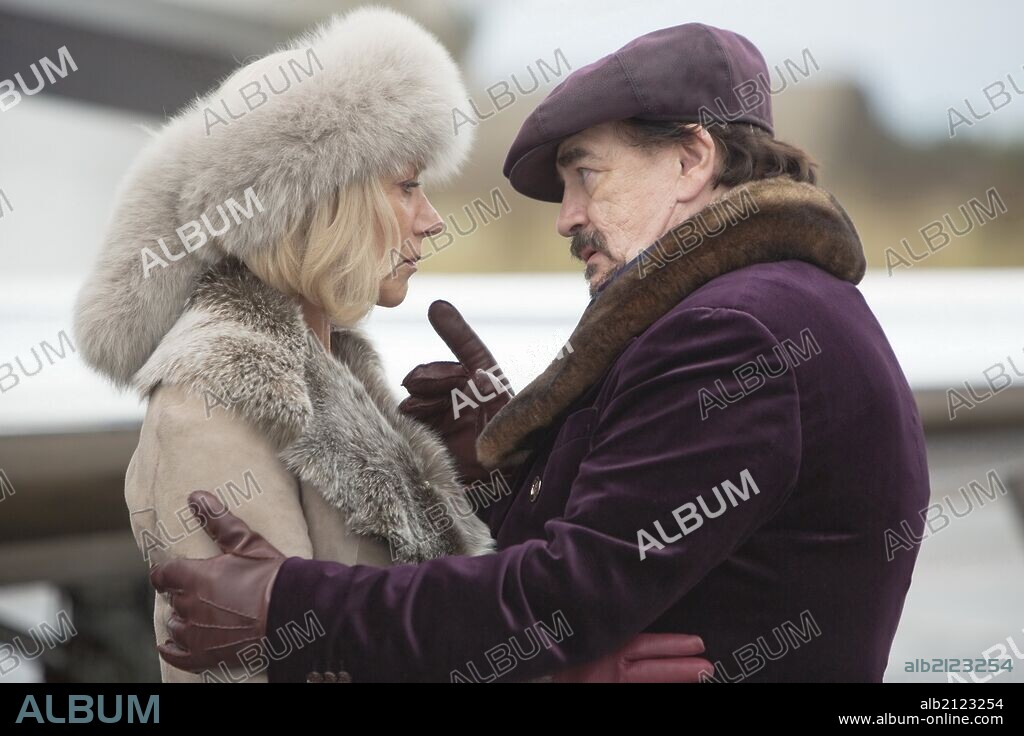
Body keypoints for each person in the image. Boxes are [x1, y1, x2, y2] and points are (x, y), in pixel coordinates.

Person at [149, 21, 930, 683]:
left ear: (693, 158)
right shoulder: (774, 303)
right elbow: (634, 555)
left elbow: (561, 600)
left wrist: (286, 609)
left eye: (585, 176)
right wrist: (517, 468)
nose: (567, 218)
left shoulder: (732, 332)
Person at [73, 7, 710, 683]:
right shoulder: (214, 405)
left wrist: (505, 469)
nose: (432, 220)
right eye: (406, 186)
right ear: (316, 200)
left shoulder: (336, 391)